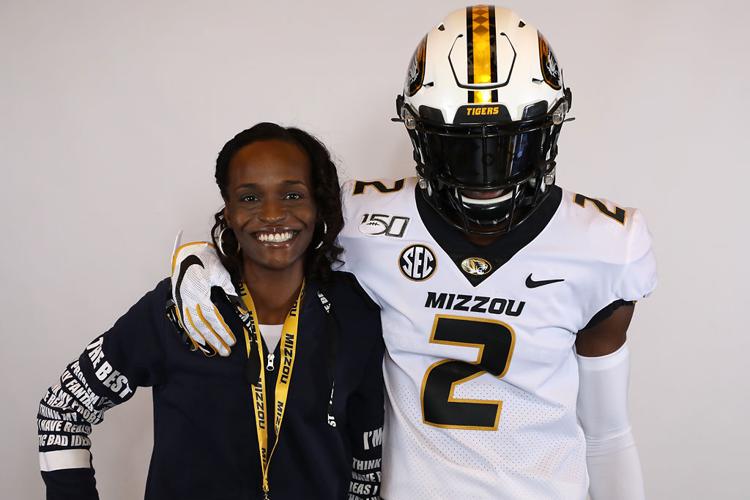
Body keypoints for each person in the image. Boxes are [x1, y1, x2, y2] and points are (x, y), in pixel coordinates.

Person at [170, 6, 656, 499]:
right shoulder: (361, 219)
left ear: (549, 127)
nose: (485, 177)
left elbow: (606, 433)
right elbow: (268, 230)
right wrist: (199, 257)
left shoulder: (603, 245)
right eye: (460, 147)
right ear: (417, 129)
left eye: (511, 144)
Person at [37, 123, 385, 500]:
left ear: (317, 204)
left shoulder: (354, 313)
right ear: (229, 212)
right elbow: (63, 410)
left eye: (292, 194)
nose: (272, 214)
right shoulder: (179, 308)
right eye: (250, 198)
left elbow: (365, 463)